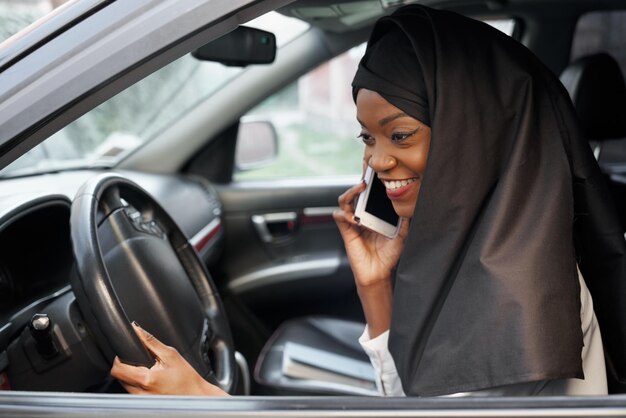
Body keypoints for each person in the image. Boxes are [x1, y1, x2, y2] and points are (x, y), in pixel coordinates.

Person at [112, 5, 626, 396]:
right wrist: (376, 288)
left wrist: (204, 401)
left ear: (472, 138)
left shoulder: (518, 303)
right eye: (367, 138)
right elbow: (411, 401)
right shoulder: (487, 258)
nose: (376, 163)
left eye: (400, 135)